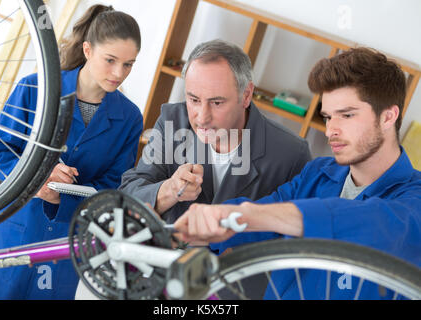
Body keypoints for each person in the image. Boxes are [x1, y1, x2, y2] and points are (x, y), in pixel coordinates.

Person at [173, 47, 421, 299]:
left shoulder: (414, 200)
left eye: (347, 115)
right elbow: (263, 214)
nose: (331, 130)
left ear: (388, 116)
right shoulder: (317, 173)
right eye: (327, 117)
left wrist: (247, 215)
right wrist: (201, 225)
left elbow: (372, 223)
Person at [0, 5, 143, 299]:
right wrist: (35, 179)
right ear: (88, 50)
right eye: (111, 60)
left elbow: (113, 189)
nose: (119, 73)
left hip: (65, 242)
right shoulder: (34, 89)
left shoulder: (130, 118)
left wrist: (62, 195)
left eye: (128, 64)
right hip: (14, 229)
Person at [120, 39, 311, 223]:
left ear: (246, 96)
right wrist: (169, 190)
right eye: (194, 100)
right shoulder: (173, 122)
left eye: (217, 103)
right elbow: (127, 195)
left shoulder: (291, 154)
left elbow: (300, 231)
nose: (202, 117)